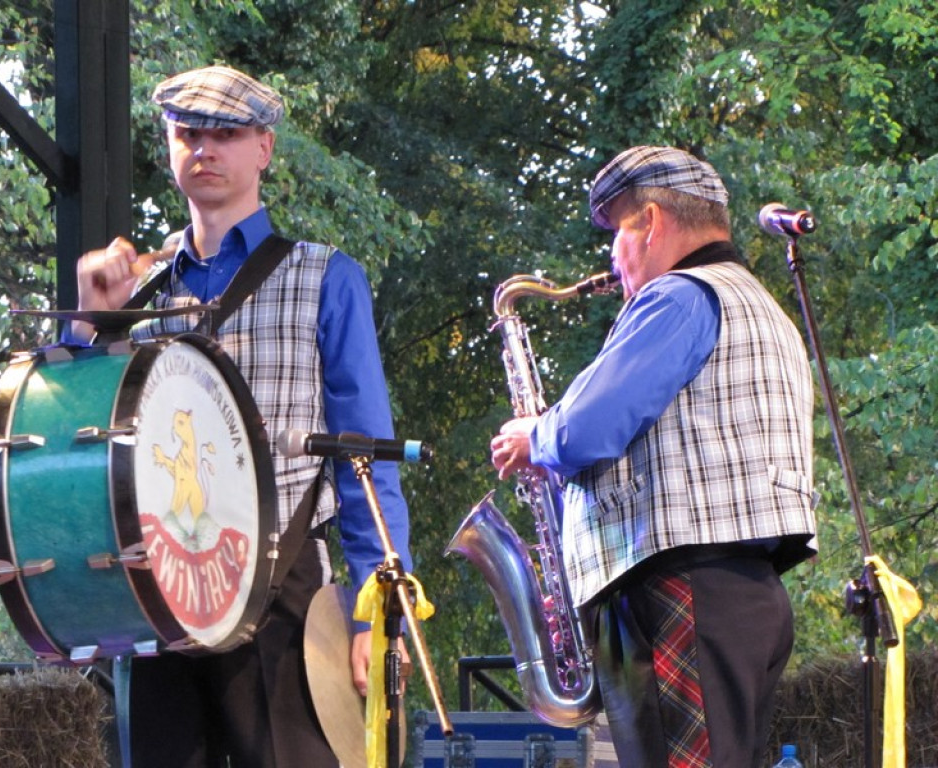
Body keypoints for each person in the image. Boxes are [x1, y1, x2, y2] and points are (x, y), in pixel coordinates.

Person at [69, 65, 411, 768]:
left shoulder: (326, 276)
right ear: (169, 148)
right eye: (188, 132)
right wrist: (90, 328)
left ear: (264, 148)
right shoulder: (135, 297)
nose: (205, 147)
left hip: (284, 596)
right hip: (158, 599)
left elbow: (365, 458)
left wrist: (376, 610)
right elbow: (75, 451)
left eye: (226, 132)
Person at [490, 146, 818, 767]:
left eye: (617, 231)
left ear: (651, 222)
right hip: (741, 595)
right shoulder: (764, 309)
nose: (611, 258)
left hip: (681, 593)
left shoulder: (678, 297)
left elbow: (591, 426)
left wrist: (533, 435)